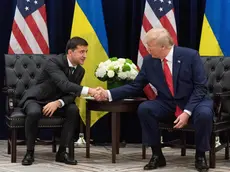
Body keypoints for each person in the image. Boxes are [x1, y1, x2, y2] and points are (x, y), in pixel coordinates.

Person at [94, 28, 213, 172]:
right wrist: (108, 93)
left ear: (163, 46)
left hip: (195, 101)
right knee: (145, 108)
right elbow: (136, 86)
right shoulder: (149, 61)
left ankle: (200, 155)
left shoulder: (190, 56)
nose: (147, 48)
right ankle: (157, 154)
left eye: (150, 45)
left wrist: (187, 112)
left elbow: (200, 87)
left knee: (204, 114)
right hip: (167, 102)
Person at [19, 37, 98, 166]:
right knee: (33, 113)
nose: (85, 55)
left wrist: (58, 102)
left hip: (57, 102)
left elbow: (72, 94)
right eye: (82, 52)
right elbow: (64, 84)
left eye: (86, 52)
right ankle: (29, 152)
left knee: (73, 109)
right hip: (38, 99)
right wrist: (90, 90)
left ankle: (62, 152)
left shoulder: (80, 71)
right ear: (70, 52)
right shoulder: (53, 62)